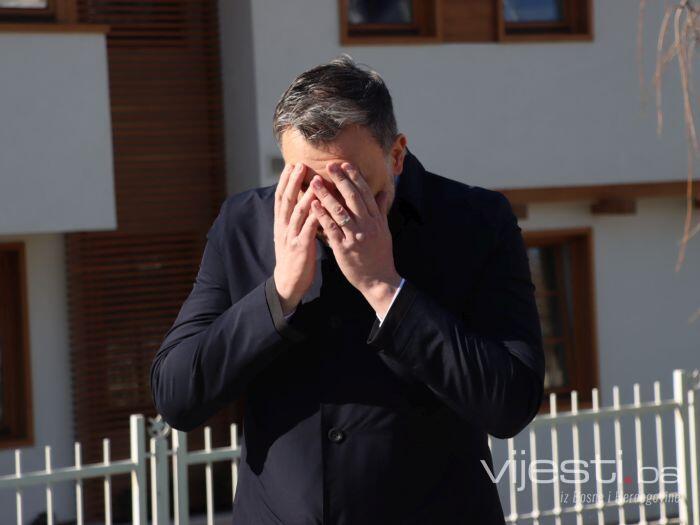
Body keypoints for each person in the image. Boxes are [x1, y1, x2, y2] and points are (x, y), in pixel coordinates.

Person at [150, 54, 545, 525]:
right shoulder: (242, 224)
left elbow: (510, 404)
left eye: (349, 182)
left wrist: (385, 289)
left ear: (396, 155)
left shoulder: (476, 222)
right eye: (305, 181)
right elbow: (177, 398)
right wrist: (278, 295)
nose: (326, 205)